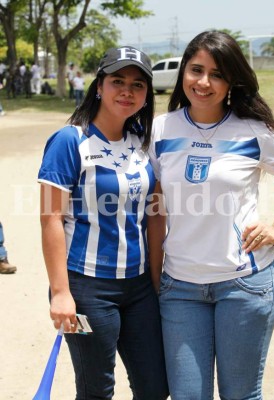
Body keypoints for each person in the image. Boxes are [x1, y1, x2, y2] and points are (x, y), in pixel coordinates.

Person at [148, 30, 274, 400]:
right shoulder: (161, 129)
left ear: (232, 82)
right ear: (183, 74)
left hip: (246, 285)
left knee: (239, 395)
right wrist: (156, 276)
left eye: (217, 74)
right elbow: (155, 209)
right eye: (196, 70)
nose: (204, 82)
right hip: (181, 289)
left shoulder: (255, 131)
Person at [38, 46, 168, 400]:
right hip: (87, 289)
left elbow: (155, 216)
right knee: (97, 390)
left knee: (156, 387)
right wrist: (61, 292)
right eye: (117, 81)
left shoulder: (143, 145)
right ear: (99, 86)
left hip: (139, 287)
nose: (127, 91)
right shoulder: (70, 141)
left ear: (146, 95)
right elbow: (50, 218)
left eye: (137, 85)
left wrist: (157, 282)